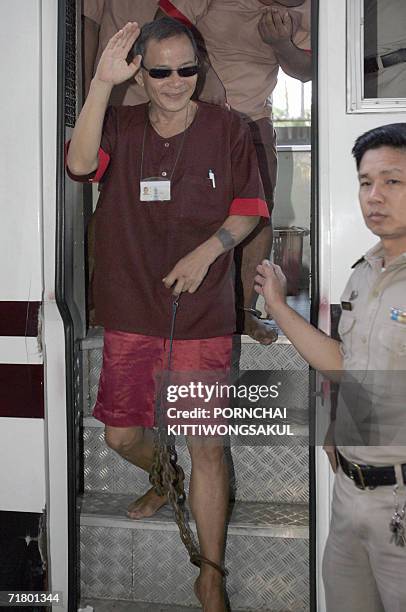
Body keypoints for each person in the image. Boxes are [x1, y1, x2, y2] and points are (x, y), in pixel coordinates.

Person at [67, 18, 269, 611]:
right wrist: (103, 84)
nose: (176, 82)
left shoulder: (228, 128)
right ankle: (164, 476)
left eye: (187, 69)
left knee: (205, 442)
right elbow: (79, 167)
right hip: (132, 304)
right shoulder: (122, 124)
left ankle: (209, 570)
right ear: (141, 73)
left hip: (202, 312)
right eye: (160, 71)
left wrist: (211, 250)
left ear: (199, 68)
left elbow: (249, 208)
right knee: (123, 434)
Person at [255, 123, 406, 611]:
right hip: (349, 495)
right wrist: (277, 305)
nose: (374, 196)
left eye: (392, 181)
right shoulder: (365, 273)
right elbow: (344, 362)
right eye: (366, 182)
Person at [156, 0, 311, 341]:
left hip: (253, 122)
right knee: (182, 215)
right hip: (191, 117)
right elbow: (162, 27)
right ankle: (174, 308)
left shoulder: (309, 9)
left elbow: (308, 70)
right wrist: (203, 72)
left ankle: (243, 312)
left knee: (257, 216)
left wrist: (281, 43)